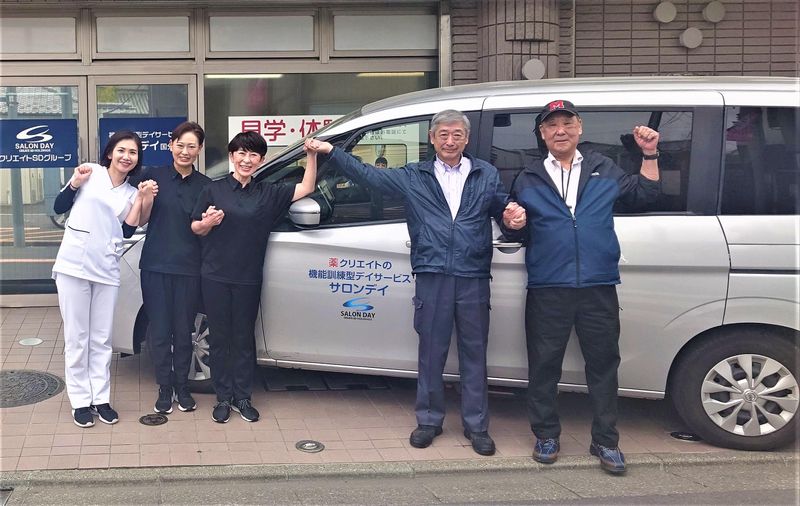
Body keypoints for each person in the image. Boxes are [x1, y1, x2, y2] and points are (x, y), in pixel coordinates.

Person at [305, 109, 524, 456]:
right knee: (431, 353)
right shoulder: (414, 175)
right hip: (432, 273)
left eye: (457, 134)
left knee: (475, 353)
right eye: (443, 134)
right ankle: (429, 421)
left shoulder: (485, 173)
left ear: (466, 139)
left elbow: (503, 210)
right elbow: (369, 177)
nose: (450, 140)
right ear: (432, 139)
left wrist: (513, 219)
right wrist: (332, 152)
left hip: (472, 275)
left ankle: (477, 426)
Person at [502, 100, 660, 474]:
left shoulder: (604, 168)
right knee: (544, 365)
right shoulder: (527, 176)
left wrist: (650, 153)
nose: (560, 131)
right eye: (552, 125)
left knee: (603, 365)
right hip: (548, 285)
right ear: (542, 134)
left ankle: (606, 440)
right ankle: (546, 435)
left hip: (597, 284)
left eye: (567, 123)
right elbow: (517, 228)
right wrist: (512, 221)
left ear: (579, 128)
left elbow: (646, 194)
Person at [191, 131, 318, 423]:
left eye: (253, 155)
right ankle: (223, 398)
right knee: (220, 337)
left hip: (248, 277)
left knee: (243, 338)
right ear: (232, 155)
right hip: (215, 275)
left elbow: (307, 187)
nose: (247, 160)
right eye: (241, 153)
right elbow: (195, 227)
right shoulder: (213, 190)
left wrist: (311, 155)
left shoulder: (267, 193)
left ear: (261, 160)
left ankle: (243, 397)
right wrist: (207, 223)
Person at [52, 131, 156, 428]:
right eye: (121, 150)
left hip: (107, 269)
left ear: (137, 159)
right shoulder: (91, 173)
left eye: (133, 152)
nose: (126, 156)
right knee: (77, 337)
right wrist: (75, 182)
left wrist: (143, 199)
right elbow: (59, 206)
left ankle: (100, 398)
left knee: (101, 338)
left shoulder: (131, 192)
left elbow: (127, 230)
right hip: (74, 266)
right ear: (110, 153)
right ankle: (80, 401)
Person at [136, 121, 211, 415]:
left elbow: (205, 228)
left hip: (189, 268)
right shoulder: (152, 177)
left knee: (183, 331)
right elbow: (139, 217)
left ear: (199, 149)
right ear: (170, 145)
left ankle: (182, 387)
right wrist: (144, 196)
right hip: (155, 266)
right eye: (180, 145)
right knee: (159, 331)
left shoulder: (206, 186)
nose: (185, 151)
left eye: (191, 146)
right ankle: (164, 387)